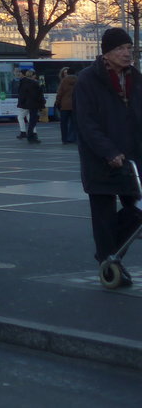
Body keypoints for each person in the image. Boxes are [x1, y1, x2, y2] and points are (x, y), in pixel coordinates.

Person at [72, 27, 142, 283]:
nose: (127, 53)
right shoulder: (88, 80)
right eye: (121, 49)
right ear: (107, 53)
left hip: (131, 158)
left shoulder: (136, 78)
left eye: (129, 48)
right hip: (101, 160)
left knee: (137, 209)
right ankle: (108, 258)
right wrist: (108, 151)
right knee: (102, 214)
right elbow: (87, 124)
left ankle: (111, 254)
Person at [16, 68, 45, 143]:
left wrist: (21, 103)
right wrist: (42, 104)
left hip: (26, 104)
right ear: (33, 76)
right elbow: (38, 95)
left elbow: (21, 94)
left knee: (28, 119)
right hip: (34, 104)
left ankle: (28, 134)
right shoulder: (35, 83)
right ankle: (32, 135)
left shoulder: (23, 83)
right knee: (32, 120)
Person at [55, 66, 77, 144]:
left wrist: (57, 102)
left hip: (64, 105)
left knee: (64, 123)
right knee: (74, 123)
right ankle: (73, 138)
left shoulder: (64, 81)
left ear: (67, 73)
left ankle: (64, 139)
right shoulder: (79, 80)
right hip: (75, 105)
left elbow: (60, 93)